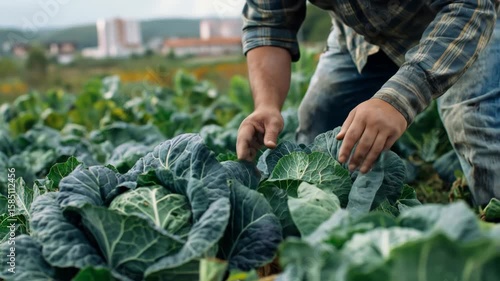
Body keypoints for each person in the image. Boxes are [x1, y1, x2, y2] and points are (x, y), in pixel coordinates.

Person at [236, 0, 500, 206]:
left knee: (477, 127)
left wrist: (398, 100)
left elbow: (471, 6)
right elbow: (268, 21)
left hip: (468, 23)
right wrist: (267, 105)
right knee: (319, 135)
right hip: (364, 34)